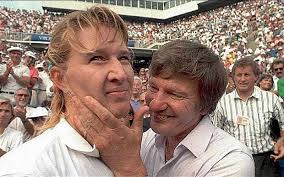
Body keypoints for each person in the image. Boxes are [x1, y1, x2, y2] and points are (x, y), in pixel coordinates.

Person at [70, 40, 255, 177]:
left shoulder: (231, 161)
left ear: (206, 105)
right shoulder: (147, 139)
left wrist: (129, 168)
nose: (155, 104)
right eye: (153, 87)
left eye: (175, 94)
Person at [0, 6, 138, 176]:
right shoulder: (27, 170)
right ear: (59, 78)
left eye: (124, 58)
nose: (121, 73)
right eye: (97, 58)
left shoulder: (135, 151)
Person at [212, 57, 284, 177]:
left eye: (247, 75)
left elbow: (283, 124)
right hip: (234, 161)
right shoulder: (223, 103)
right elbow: (216, 131)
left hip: (266, 161)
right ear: (233, 77)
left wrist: (282, 141)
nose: (242, 79)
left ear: (256, 77)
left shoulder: (271, 99)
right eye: (239, 75)